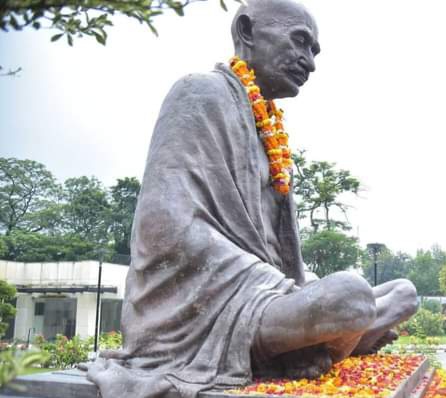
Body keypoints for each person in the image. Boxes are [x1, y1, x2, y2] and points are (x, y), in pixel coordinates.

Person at [86, 1, 418, 397]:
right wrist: (274, 287)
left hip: (265, 294)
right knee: (351, 296)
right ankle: (328, 336)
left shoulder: (268, 124)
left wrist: (290, 288)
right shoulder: (198, 93)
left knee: (404, 293)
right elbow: (166, 226)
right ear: (245, 31)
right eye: (300, 42)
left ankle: (323, 336)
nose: (309, 62)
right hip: (204, 308)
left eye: (314, 51)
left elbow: (280, 255)